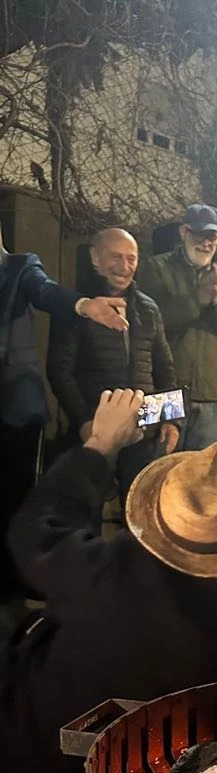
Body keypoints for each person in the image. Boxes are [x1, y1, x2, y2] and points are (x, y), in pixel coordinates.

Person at [0, 388, 217, 773]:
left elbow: (36, 528)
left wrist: (100, 445)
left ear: (153, 519)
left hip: (16, 757)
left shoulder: (101, 575)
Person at [0, 222, 128, 598]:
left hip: (14, 414)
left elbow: (47, 292)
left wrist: (85, 305)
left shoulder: (20, 267)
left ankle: (14, 592)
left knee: (14, 504)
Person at [47, 228, 180, 503]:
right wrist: (83, 421)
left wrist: (171, 419)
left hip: (146, 428)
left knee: (142, 509)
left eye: (131, 259)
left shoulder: (149, 309)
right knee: (87, 508)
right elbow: (60, 371)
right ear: (95, 259)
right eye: (116, 257)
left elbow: (165, 368)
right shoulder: (78, 307)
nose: (124, 266)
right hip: (98, 428)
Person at [138, 204, 217, 450]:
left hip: (213, 397)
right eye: (200, 234)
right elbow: (151, 325)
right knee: (155, 471)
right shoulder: (156, 268)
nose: (207, 242)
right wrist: (197, 300)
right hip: (162, 391)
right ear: (184, 232)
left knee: (199, 479)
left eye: (213, 236)